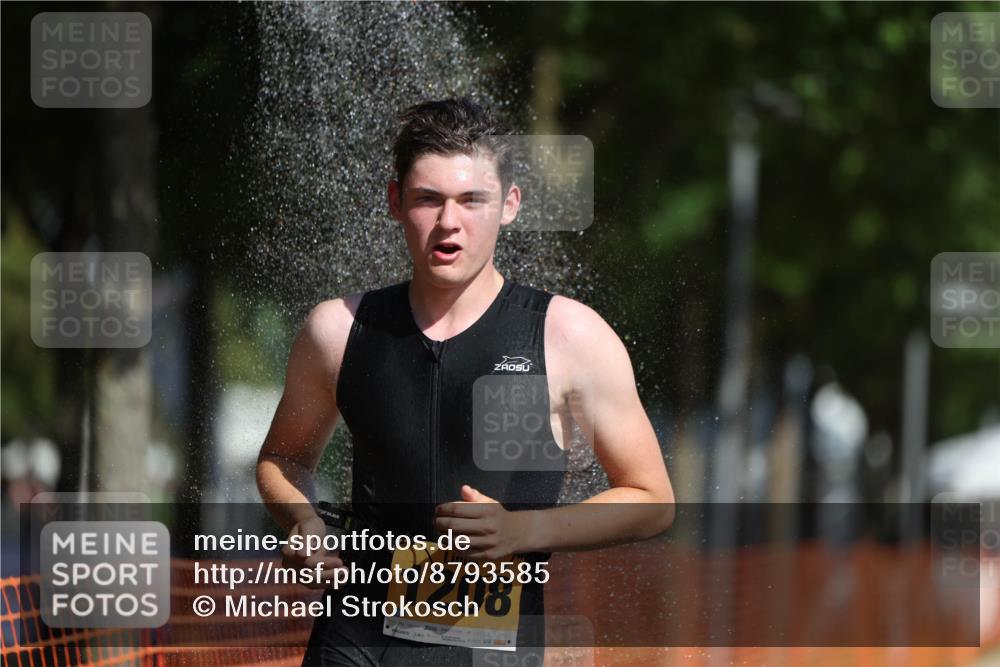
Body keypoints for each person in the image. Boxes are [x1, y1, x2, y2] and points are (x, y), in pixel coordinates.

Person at [256, 97, 674, 666]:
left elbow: (652, 499)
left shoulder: (569, 336)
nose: (449, 222)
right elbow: (284, 457)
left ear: (510, 205)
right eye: (429, 199)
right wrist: (302, 519)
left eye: (472, 200)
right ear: (396, 202)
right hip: (354, 642)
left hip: (492, 649)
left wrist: (523, 533)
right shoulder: (338, 329)